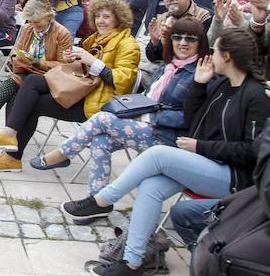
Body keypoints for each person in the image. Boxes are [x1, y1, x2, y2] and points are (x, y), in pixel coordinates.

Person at [62, 28, 270, 276]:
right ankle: (132, 262)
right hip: (205, 162)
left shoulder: (256, 96)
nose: (210, 55)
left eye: (215, 51)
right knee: (152, 186)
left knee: (158, 154)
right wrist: (199, 85)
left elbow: (251, 151)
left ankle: (103, 199)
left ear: (227, 56)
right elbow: (194, 120)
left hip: (235, 179)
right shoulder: (223, 85)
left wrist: (200, 147)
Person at [33, 18, 208, 197]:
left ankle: (62, 154)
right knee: (101, 140)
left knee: (102, 119)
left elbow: (191, 117)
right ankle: (97, 200)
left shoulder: (201, 73)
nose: (183, 43)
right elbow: (148, 98)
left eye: (191, 39)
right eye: (177, 37)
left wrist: (150, 116)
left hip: (167, 136)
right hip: (145, 124)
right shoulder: (169, 66)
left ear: (200, 43)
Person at [0, 0, 140, 171]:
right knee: (30, 82)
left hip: (97, 104)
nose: (100, 21)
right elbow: (83, 70)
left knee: (30, 97)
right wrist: (75, 60)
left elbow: (123, 82)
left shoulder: (128, 44)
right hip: (82, 91)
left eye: (106, 16)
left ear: (119, 18)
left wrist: (91, 61)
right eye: (97, 16)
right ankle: (9, 140)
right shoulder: (95, 39)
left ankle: (11, 152)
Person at [0, 0, 72, 132]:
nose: (34, 25)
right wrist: (18, 58)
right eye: (31, 21)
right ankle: (8, 133)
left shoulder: (62, 33)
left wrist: (38, 63)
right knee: (16, 86)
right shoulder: (27, 28)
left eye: (38, 22)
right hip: (26, 72)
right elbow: (16, 51)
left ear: (49, 16)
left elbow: (63, 67)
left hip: (48, 77)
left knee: (17, 83)